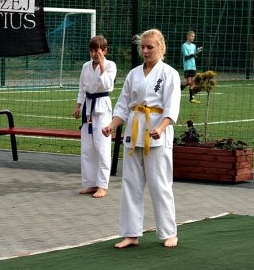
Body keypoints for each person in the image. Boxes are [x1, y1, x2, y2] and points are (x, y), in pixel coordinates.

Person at [102, 28, 181, 249]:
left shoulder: (169, 73)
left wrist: (161, 127)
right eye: (143, 47)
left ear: (160, 48)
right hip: (134, 130)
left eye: (150, 47)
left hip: (157, 132)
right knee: (130, 184)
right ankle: (131, 234)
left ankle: (169, 232)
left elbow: (172, 106)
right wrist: (112, 125)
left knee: (160, 185)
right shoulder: (134, 74)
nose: (145, 51)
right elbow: (123, 104)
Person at [73, 35, 117, 198]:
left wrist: (102, 65)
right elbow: (82, 88)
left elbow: (107, 84)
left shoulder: (111, 65)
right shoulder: (86, 66)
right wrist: (78, 105)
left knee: (102, 147)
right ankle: (90, 183)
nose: (94, 54)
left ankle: (102, 185)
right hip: (88, 107)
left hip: (102, 108)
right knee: (87, 148)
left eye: (97, 51)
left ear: (104, 51)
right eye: (91, 51)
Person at [180, 30, 202, 104]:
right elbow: (186, 57)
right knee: (189, 82)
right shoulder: (184, 45)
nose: (193, 38)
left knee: (192, 83)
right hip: (187, 66)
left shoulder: (194, 46)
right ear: (188, 36)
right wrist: (194, 54)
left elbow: (194, 56)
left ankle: (191, 99)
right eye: (191, 36)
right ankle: (177, 89)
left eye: (193, 36)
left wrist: (197, 52)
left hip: (193, 66)